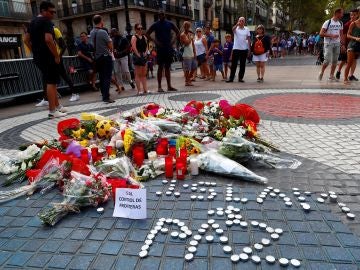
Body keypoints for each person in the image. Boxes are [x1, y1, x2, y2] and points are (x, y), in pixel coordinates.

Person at [24, 1, 67, 118]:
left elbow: (26, 40)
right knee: (51, 83)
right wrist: (56, 55)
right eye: (51, 12)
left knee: (50, 80)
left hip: (39, 57)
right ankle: (52, 111)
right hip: (48, 57)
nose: (53, 14)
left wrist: (35, 51)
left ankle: (57, 107)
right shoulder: (46, 21)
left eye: (54, 12)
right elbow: (48, 40)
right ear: (43, 11)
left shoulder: (32, 22)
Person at [146, 10, 180, 92]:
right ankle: (159, 87)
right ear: (158, 16)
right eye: (159, 15)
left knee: (168, 67)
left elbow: (178, 32)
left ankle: (169, 86)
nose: (161, 16)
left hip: (168, 47)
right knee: (160, 67)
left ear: (165, 15)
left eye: (162, 14)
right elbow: (147, 33)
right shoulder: (155, 24)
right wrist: (155, 41)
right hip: (160, 48)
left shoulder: (170, 23)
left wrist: (173, 40)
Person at [90, 15, 114, 103]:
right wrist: (110, 41)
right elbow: (110, 47)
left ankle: (103, 96)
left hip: (97, 58)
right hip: (105, 57)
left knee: (101, 77)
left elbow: (92, 45)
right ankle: (106, 97)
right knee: (107, 77)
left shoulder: (92, 32)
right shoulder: (103, 32)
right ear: (101, 21)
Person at [53, 26, 79, 102]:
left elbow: (64, 46)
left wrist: (58, 57)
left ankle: (75, 93)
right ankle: (47, 98)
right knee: (49, 78)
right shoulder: (46, 31)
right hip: (52, 58)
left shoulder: (55, 30)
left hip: (56, 58)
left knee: (64, 76)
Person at [318, 8, 344, 81]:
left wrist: (343, 45)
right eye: (341, 13)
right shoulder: (328, 22)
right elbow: (321, 33)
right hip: (328, 44)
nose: (342, 15)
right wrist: (331, 35)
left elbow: (341, 34)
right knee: (327, 60)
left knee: (335, 61)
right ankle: (322, 72)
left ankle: (331, 76)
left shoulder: (340, 23)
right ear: (337, 13)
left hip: (337, 44)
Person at [336, 9, 359, 81]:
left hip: (357, 45)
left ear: (357, 15)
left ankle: (351, 75)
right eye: (351, 15)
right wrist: (342, 45)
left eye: (354, 15)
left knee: (354, 60)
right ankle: (338, 71)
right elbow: (343, 35)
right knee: (344, 60)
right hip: (347, 45)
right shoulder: (347, 25)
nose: (352, 16)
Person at [226, 17, 251, 83]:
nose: (241, 22)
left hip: (244, 49)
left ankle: (240, 78)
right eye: (240, 20)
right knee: (234, 64)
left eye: (242, 21)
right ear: (238, 21)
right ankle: (231, 78)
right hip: (236, 48)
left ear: (244, 22)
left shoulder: (247, 29)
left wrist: (249, 49)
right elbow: (232, 29)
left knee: (242, 65)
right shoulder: (236, 28)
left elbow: (248, 39)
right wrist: (237, 24)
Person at [111, 28, 135, 92]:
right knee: (117, 72)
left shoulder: (123, 39)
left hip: (123, 56)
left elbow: (128, 47)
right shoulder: (113, 39)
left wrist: (121, 52)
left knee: (125, 70)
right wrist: (113, 51)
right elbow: (111, 47)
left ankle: (130, 81)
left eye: (114, 32)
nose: (113, 34)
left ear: (117, 32)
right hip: (116, 57)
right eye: (112, 33)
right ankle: (121, 85)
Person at [131, 23, 148, 94]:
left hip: (143, 55)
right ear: (135, 29)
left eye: (141, 28)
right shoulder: (134, 37)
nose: (140, 30)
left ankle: (145, 89)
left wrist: (146, 52)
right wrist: (138, 55)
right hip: (137, 55)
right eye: (138, 28)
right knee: (138, 73)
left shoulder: (144, 37)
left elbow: (147, 46)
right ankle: (139, 90)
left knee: (144, 73)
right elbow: (134, 47)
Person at [344, 13, 360, 84]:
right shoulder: (353, 23)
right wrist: (355, 38)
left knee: (354, 62)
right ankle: (345, 79)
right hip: (352, 45)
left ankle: (350, 76)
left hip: (359, 46)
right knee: (349, 63)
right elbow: (348, 35)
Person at [180, 21, 197, 86]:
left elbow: (193, 44)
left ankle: (188, 79)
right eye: (186, 26)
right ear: (184, 27)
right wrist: (191, 37)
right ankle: (187, 81)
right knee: (187, 69)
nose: (187, 28)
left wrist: (195, 53)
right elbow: (187, 43)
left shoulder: (190, 34)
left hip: (192, 54)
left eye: (188, 26)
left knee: (194, 67)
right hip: (186, 54)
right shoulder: (182, 35)